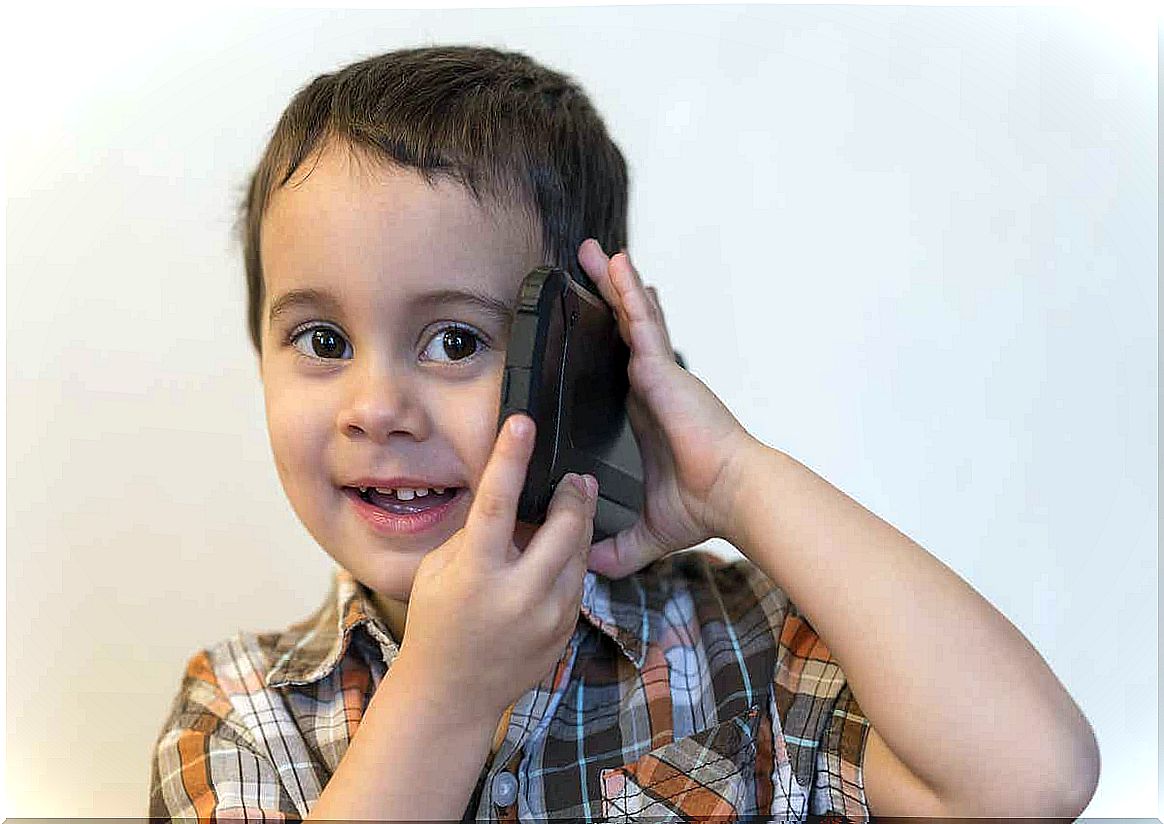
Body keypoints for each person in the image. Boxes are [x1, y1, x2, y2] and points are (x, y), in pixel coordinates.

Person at [148, 45, 1099, 822]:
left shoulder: (743, 653)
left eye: (453, 340)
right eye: (322, 339)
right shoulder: (240, 717)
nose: (374, 406)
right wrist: (444, 696)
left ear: (586, 359)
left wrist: (733, 477)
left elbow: (1030, 779)